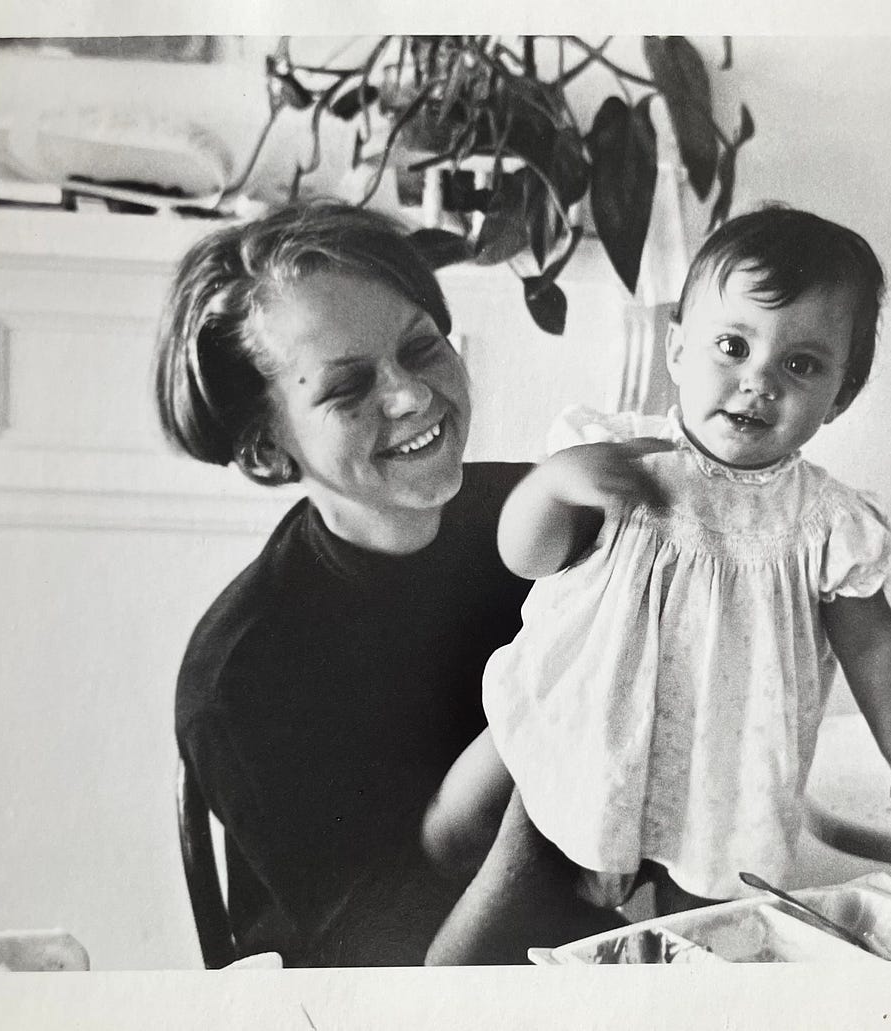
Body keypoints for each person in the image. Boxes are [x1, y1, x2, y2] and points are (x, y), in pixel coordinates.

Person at [424, 204, 891, 965]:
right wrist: (553, 486)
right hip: (586, 722)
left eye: (801, 365)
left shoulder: (826, 522)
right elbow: (526, 556)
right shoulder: (622, 459)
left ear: (841, 395)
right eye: (732, 345)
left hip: (722, 767)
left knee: (706, 943)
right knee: (467, 839)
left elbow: (874, 645)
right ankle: (434, 915)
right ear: (676, 347)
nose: (758, 382)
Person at [155, 201, 619, 966]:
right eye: (346, 388)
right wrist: (546, 726)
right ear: (270, 449)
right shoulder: (242, 676)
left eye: (422, 347)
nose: (410, 395)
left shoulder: (548, 514)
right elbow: (403, 978)